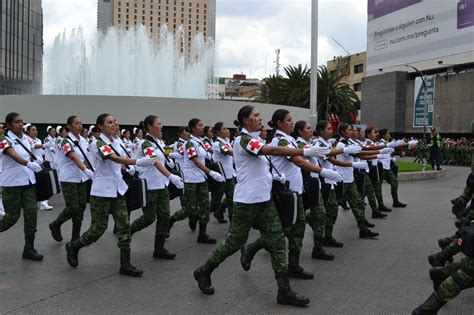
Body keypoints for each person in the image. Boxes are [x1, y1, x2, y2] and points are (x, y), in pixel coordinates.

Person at [193, 105, 332, 307]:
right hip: (247, 201)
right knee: (234, 242)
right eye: (256, 116)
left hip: (264, 199)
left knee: (277, 241)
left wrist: (273, 176)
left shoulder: (255, 138)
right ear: (245, 120)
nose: (260, 118)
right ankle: (204, 271)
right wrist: (305, 150)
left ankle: (284, 291)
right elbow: (273, 150)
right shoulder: (243, 139)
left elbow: (261, 164)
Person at [241, 110, 343, 272]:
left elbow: (308, 155)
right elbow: (299, 161)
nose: (292, 123)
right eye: (288, 120)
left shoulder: (290, 140)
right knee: (284, 230)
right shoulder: (281, 141)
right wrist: (323, 171)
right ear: (280, 123)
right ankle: (253, 248)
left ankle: (294, 266)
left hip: (296, 192)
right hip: (286, 193)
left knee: (297, 228)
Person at [65, 113, 156, 277]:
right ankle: (75, 246)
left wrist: (131, 168)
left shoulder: (117, 142)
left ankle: (125, 264)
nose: (114, 124)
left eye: (114, 122)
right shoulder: (96, 143)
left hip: (118, 190)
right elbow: (114, 159)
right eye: (109, 122)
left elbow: (120, 163)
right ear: (100, 126)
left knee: (124, 226)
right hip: (101, 192)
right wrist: (138, 162)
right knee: (98, 229)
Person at [130, 115, 184, 259]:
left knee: (164, 216)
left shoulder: (159, 141)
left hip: (161, 185)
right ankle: (127, 232)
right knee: (149, 217)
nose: (161, 126)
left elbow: (164, 153)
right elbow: (154, 160)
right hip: (150, 185)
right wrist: (170, 176)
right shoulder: (146, 143)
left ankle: (159, 249)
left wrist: (173, 156)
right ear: (149, 126)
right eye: (158, 124)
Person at [168, 118, 225, 243]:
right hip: (190, 179)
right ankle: (171, 220)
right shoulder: (189, 143)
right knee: (189, 209)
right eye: (199, 126)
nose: (202, 128)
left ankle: (202, 234)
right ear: (193, 128)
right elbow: (195, 160)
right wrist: (210, 172)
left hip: (201, 178)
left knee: (204, 206)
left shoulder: (200, 142)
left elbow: (206, 156)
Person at [294, 120, 344, 260]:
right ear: (300, 131)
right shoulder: (300, 145)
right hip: (307, 185)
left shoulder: (307, 144)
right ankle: (317, 248)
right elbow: (325, 155)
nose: (311, 131)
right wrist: (345, 150)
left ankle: (319, 246)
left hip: (316, 183)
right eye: (308, 128)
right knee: (312, 217)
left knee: (320, 215)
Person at [0, 112, 43, 260]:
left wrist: (37, 159)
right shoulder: (3, 139)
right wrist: (29, 163)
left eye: (21, 122)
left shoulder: (26, 138)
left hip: (28, 182)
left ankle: (29, 249)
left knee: (31, 216)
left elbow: (31, 150)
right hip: (12, 184)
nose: (20, 124)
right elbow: (12, 154)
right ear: (8, 125)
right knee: (11, 217)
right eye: (17, 122)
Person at [49, 116, 94, 243]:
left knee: (81, 207)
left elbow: (85, 158)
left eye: (80, 123)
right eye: (76, 123)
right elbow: (74, 157)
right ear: (68, 126)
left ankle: (75, 237)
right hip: (69, 178)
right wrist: (86, 170)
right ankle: (56, 224)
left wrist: (92, 170)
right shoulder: (65, 142)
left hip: (82, 179)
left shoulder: (83, 141)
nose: (79, 126)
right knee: (73, 207)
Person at [336, 123, 379, 239]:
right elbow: (361, 154)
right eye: (349, 130)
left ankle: (362, 229)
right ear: (342, 132)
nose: (352, 132)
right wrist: (378, 154)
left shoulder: (349, 143)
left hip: (350, 180)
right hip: (342, 180)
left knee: (357, 204)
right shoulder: (341, 144)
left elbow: (362, 152)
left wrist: (378, 153)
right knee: (333, 206)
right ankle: (325, 236)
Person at [209, 122, 235, 224]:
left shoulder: (227, 141)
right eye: (224, 129)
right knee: (214, 203)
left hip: (229, 176)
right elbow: (230, 152)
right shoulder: (217, 144)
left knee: (232, 201)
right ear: (218, 133)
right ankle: (198, 215)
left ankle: (232, 227)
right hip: (220, 178)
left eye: (227, 128)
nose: (227, 130)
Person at [364, 128, 393, 213]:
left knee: (374, 187)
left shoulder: (371, 142)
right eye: (373, 133)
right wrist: (383, 150)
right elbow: (376, 149)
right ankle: (379, 206)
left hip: (374, 166)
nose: (375, 134)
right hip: (372, 167)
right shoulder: (368, 143)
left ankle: (379, 206)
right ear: (368, 135)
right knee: (375, 187)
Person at [377, 129, 407, 208]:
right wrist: (400, 142)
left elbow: (388, 153)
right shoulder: (380, 143)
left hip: (387, 168)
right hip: (381, 168)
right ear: (383, 135)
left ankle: (395, 201)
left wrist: (392, 157)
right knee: (377, 186)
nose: (389, 135)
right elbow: (380, 155)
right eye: (387, 134)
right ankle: (380, 204)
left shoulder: (387, 143)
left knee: (394, 182)